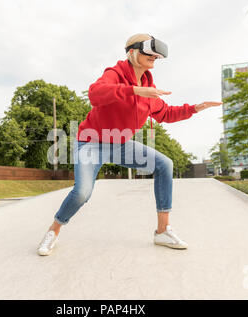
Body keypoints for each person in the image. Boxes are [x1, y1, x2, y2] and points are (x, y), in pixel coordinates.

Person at [37, 33, 222, 256]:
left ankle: (162, 231)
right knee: (82, 193)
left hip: (121, 143)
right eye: (149, 52)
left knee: (165, 164)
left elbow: (166, 113)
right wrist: (133, 90)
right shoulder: (114, 74)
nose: (154, 57)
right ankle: (54, 230)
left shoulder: (148, 87)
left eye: (157, 55)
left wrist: (195, 108)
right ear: (133, 53)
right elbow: (95, 94)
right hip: (91, 142)